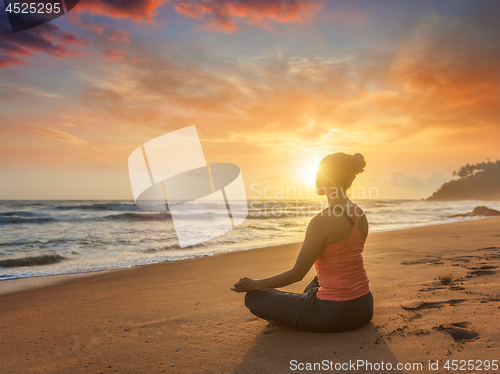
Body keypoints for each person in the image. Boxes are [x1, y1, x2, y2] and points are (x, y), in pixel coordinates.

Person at [231, 152, 373, 333]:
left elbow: (296, 274)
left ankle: (291, 313)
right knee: (316, 281)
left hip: (334, 314)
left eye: (318, 174)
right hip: (364, 307)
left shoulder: (322, 221)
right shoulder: (360, 214)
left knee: (254, 298)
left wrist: (254, 284)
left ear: (327, 180)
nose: (315, 179)